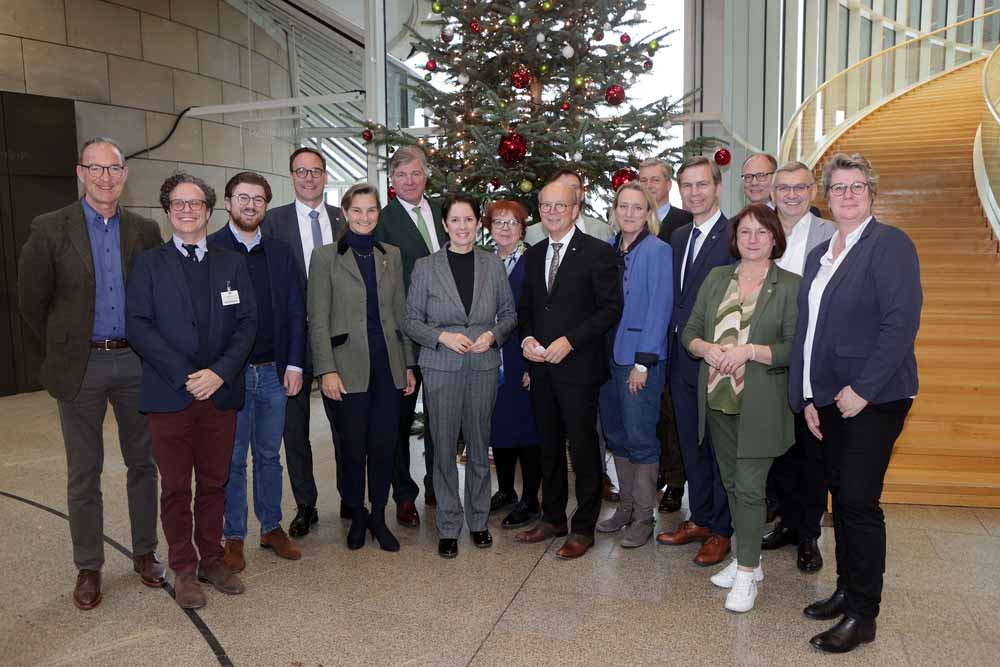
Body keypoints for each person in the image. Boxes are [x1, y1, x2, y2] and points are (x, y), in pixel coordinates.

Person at [17, 137, 164, 610]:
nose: (105, 178)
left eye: (113, 169)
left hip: (135, 364)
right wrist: (63, 346)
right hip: (79, 365)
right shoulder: (49, 228)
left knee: (143, 464)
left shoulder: (144, 230)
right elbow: (31, 301)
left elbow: (157, 299)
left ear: (124, 175)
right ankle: (88, 566)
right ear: (80, 172)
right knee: (85, 471)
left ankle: (145, 553)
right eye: (95, 169)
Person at [790, 154, 921, 653]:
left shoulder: (889, 244)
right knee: (840, 500)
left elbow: (900, 323)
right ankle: (845, 590)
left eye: (857, 186)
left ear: (871, 192)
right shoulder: (824, 252)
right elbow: (809, 333)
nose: (847, 194)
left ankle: (863, 614)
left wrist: (863, 389)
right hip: (828, 398)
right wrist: (805, 396)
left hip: (875, 398)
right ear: (827, 194)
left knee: (859, 503)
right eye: (838, 187)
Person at [127, 173, 257, 609]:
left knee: (217, 482)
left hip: (219, 395)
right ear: (167, 211)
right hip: (171, 395)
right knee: (177, 487)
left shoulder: (231, 263)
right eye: (178, 204)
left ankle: (212, 559)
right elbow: (139, 326)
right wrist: (187, 375)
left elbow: (247, 325)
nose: (187, 210)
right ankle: (183, 567)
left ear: (208, 209)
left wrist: (218, 373)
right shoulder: (148, 264)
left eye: (195, 203)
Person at [682, 203, 800, 612]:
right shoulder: (717, 278)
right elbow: (690, 332)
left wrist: (750, 350)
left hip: (761, 405)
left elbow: (792, 349)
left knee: (749, 489)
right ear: (736, 238)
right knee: (732, 484)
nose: (752, 239)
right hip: (717, 398)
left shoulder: (789, 285)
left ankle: (747, 573)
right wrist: (708, 349)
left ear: (774, 239)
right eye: (745, 232)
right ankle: (747, 556)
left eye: (761, 232)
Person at [402, 193, 517, 559]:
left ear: (477, 224)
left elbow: (509, 315)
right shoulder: (425, 267)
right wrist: (441, 336)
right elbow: (410, 320)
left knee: (481, 446)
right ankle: (449, 525)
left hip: (482, 366)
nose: (463, 227)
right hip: (441, 367)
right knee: (444, 448)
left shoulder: (493, 266)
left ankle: (479, 521)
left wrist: (491, 335)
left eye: (469, 220)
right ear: (445, 224)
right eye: (456, 220)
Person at [515, 181, 623, 560]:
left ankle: (583, 526)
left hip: (578, 367)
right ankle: (553, 517)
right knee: (548, 446)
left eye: (560, 206)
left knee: (582, 448)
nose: (552, 212)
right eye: (545, 206)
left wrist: (570, 341)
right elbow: (526, 309)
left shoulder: (597, 252)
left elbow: (610, 310)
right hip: (541, 367)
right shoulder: (533, 254)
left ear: (576, 209)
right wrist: (527, 339)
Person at [309, 183, 416, 552]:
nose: (365, 217)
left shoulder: (392, 255)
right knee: (353, 448)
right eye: (358, 211)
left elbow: (401, 313)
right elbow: (318, 320)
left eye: (371, 211)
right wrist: (326, 370)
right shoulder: (325, 258)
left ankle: (379, 516)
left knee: (385, 446)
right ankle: (356, 514)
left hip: (388, 368)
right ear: (345, 213)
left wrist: (409, 365)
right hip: (346, 368)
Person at [208, 172, 305, 572]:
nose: (250, 205)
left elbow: (297, 311)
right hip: (231, 375)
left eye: (259, 199)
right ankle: (233, 535)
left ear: (266, 205)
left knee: (269, 454)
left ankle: (271, 527)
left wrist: (296, 363)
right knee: (232, 458)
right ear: (228, 203)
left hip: (273, 372)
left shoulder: (281, 252)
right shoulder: (210, 248)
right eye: (242, 197)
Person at [656, 155, 736, 567]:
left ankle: (722, 529)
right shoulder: (678, 236)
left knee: (720, 447)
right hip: (681, 360)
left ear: (718, 187)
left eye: (702, 184)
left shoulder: (736, 235)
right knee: (690, 443)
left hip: (716, 359)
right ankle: (701, 518)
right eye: (687, 186)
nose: (694, 192)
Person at [261, 147, 343, 537]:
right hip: (291, 340)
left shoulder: (345, 219)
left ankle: (350, 498)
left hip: (337, 340)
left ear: (325, 176)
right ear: (291, 177)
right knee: (294, 430)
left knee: (344, 424)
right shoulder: (272, 221)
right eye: (301, 171)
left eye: (316, 171)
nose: (309, 178)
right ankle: (306, 504)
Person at [760, 161, 835, 572]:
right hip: (766, 357)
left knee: (811, 451)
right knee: (777, 449)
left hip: (810, 357)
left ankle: (808, 535)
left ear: (811, 192)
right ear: (773, 193)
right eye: (783, 188)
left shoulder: (830, 234)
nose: (791, 195)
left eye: (799, 187)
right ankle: (787, 522)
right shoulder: (760, 230)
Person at [374, 145, 449, 528]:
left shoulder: (442, 212)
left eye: (416, 174)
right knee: (399, 421)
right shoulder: (382, 222)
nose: (409, 181)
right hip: (404, 336)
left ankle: (437, 482)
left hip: (443, 336)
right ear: (392, 181)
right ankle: (403, 495)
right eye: (401, 175)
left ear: (426, 176)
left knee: (440, 416)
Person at [595, 182, 673, 548]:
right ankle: (625, 508)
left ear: (648, 213)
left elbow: (660, 307)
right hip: (607, 357)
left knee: (641, 438)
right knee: (616, 434)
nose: (629, 213)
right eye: (623, 207)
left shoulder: (657, 251)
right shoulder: (610, 249)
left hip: (638, 360)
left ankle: (644, 517)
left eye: (637, 208)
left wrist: (644, 363)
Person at [483, 199, 542, 529]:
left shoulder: (533, 261)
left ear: (523, 228)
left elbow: (540, 311)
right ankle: (505, 491)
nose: (505, 228)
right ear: (489, 227)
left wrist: (535, 366)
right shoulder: (484, 262)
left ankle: (531, 499)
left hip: (523, 358)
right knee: (499, 427)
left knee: (527, 429)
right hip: (492, 360)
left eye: (512, 223)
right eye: (498, 222)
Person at [638, 157, 692, 513]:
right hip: (638, 333)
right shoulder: (632, 222)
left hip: (673, 333)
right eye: (642, 179)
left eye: (654, 180)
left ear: (668, 184)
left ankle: (676, 481)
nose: (648, 185)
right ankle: (653, 473)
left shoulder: (683, 223)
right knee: (650, 409)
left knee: (673, 412)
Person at [524, 168, 614, 244]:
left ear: (583, 194)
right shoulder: (532, 234)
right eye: (561, 187)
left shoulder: (603, 231)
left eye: (573, 188)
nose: (568, 192)